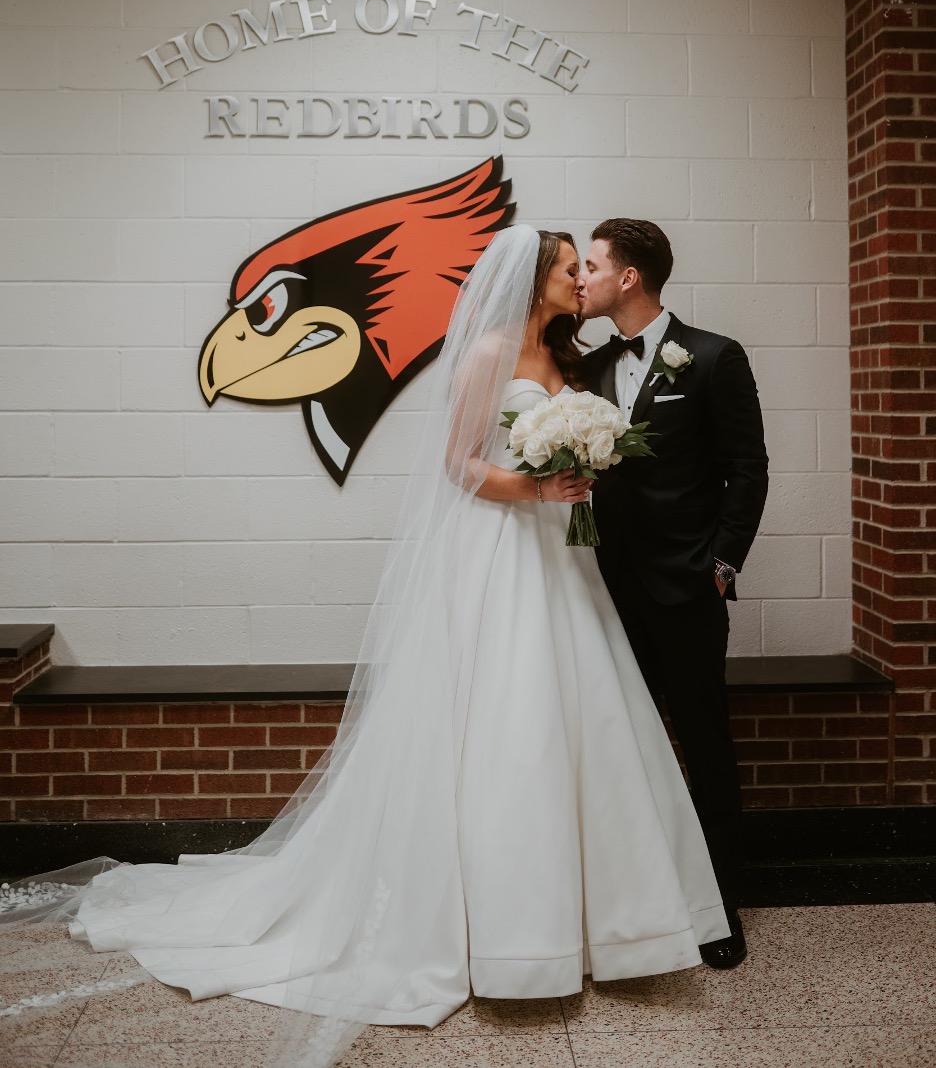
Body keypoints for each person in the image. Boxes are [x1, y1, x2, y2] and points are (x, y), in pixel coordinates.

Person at [0, 225, 730, 1068]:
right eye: (570, 270)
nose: (581, 281)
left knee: (576, 730)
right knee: (503, 728)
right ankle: (487, 932)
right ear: (534, 282)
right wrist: (537, 484)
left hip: (559, 561)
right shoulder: (489, 350)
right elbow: (458, 464)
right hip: (497, 555)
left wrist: (578, 475)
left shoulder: (569, 357)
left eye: (584, 268)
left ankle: (596, 928)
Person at [578, 218, 770, 969]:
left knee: (703, 743)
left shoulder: (716, 357)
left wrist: (720, 566)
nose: (584, 277)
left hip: (686, 591)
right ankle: (641, 904)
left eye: (593, 265)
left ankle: (720, 908)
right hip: (603, 589)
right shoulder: (589, 368)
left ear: (630, 277)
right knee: (624, 745)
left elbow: (747, 468)